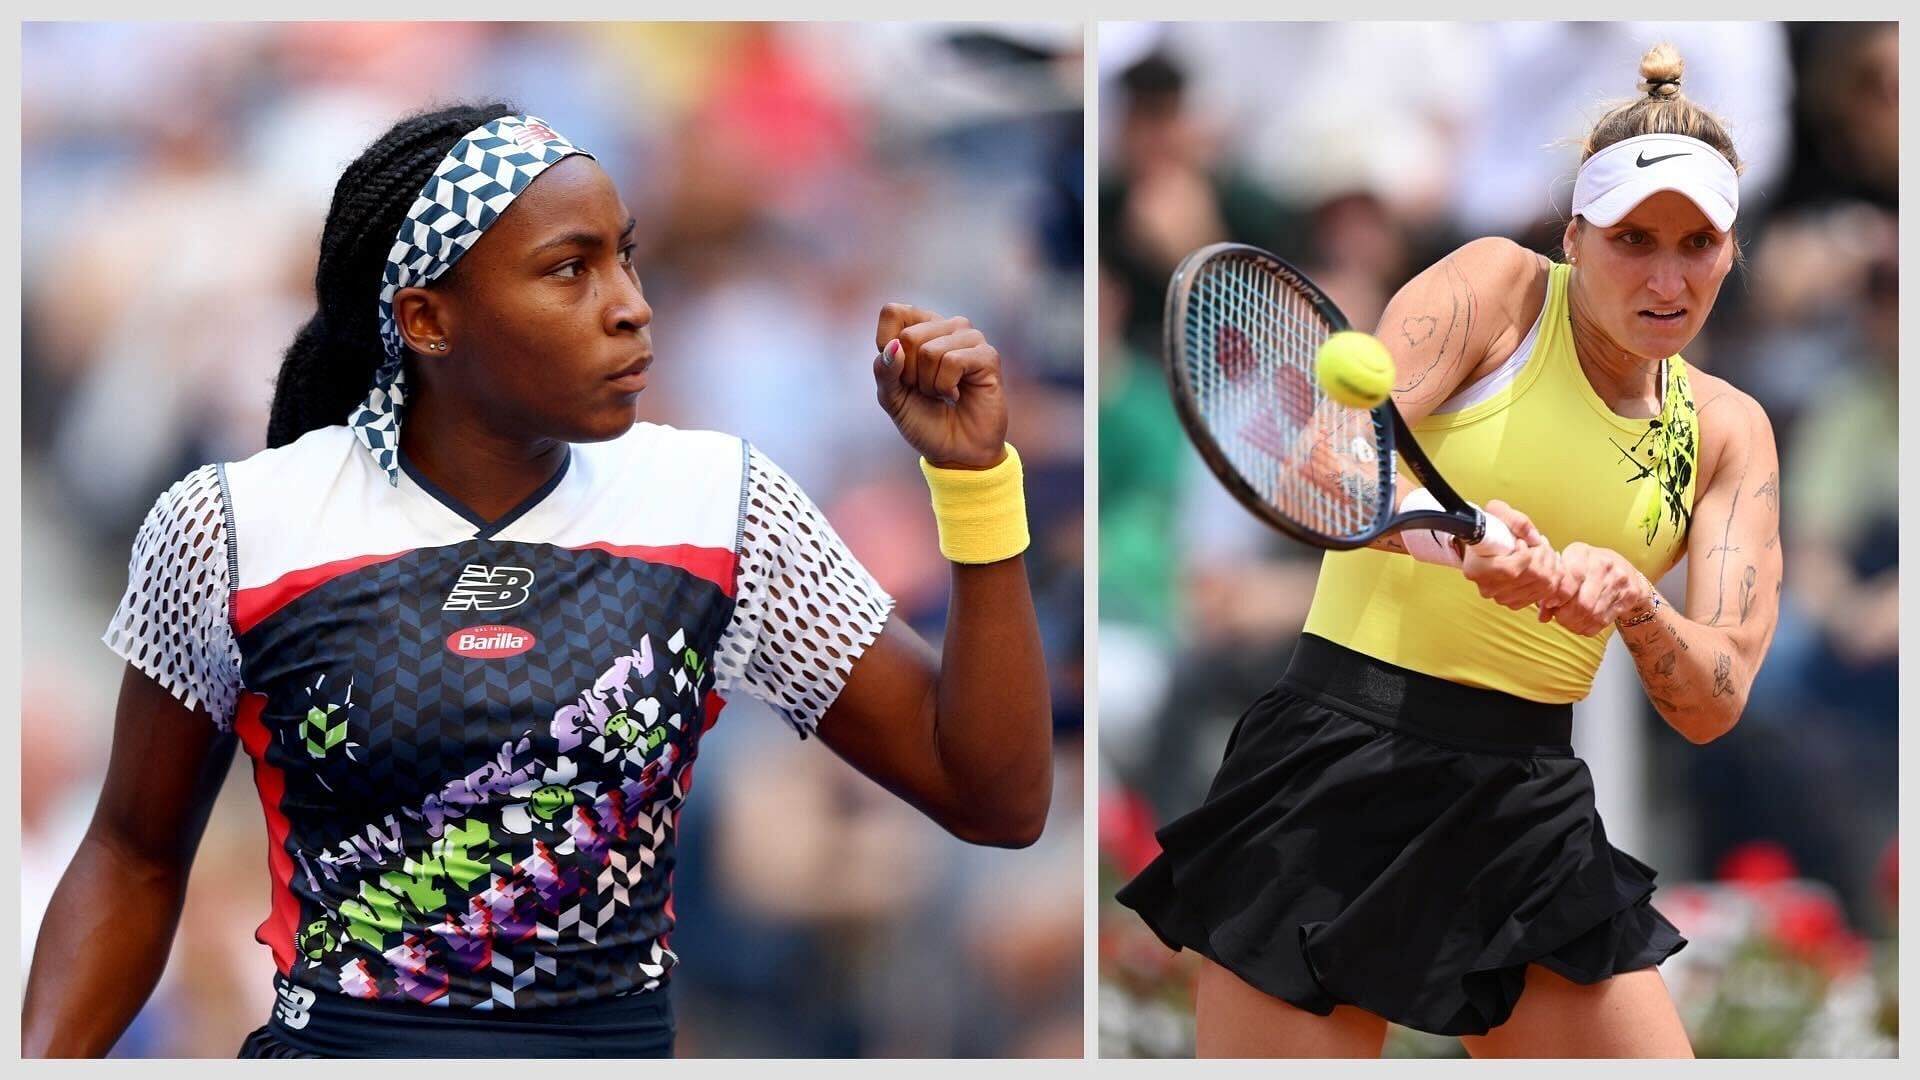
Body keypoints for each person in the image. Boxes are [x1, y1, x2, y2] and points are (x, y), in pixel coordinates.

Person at [21, 103, 1053, 1059]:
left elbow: (993, 797)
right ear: (427, 319)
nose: (633, 310)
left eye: (628, 260)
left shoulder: (726, 502)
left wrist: (976, 488)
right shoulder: (232, 526)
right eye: (572, 270)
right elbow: (133, 855)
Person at [1118, 44, 1783, 1058]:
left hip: (1526, 803)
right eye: (1633, 238)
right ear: (1574, 236)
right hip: (1340, 760)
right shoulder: (1500, 286)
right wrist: (1452, 539)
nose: (1665, 276)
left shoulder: (1732, 431)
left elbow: (1714, 700)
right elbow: (1324, 464)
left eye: (1698, 243)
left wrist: (1636, 608)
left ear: (1733, 250)